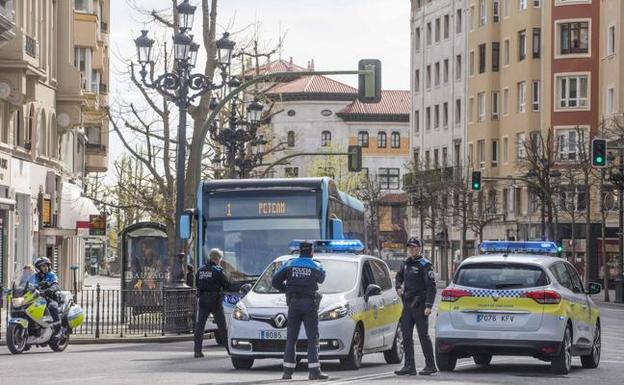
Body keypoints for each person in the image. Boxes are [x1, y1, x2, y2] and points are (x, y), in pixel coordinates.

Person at [271, 241, 328, 381]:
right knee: (312, 338)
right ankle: (314, 371)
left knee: (291, 338)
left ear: (299, 251)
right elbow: (322, 279)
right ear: (311, 252)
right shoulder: (316, 265)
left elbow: (274, 281)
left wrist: (287, 290)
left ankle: (287, 372)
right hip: (309, 304)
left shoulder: (289, 264)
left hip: (294, 304)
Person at [394, 237, 438, 376]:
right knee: (406, 335)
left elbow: (431, 287)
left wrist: (429, 306)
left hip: (420, 304)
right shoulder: (406, 263)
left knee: (423, 336)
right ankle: (409, 366)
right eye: (409, 247)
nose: (411, 250)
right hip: (407, 304)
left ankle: (430, 365)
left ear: (419, 248)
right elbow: (398, 276)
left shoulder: (425, 265)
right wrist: (398, 286)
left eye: (414, 247)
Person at [194, 248, 230, 358]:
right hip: (215, 301)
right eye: (220, 259)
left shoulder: (200, 270)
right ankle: (230, 350)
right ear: (218, 258)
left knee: (200, 327)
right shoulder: (218, 271)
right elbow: (227, 285)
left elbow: (197, 284)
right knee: (222, 327)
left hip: (203, 300)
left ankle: (197, 351)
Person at [29, 257, 61, 337]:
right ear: (38, 268)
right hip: (38, 298)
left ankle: (57, 329)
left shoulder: (51, 275)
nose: (45, 267)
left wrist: (51, 289)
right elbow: (29, 285)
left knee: (52, 307)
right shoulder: (35, 276)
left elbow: (55, 284)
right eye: (43, 266)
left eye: (46, 265)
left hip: (50, 297)